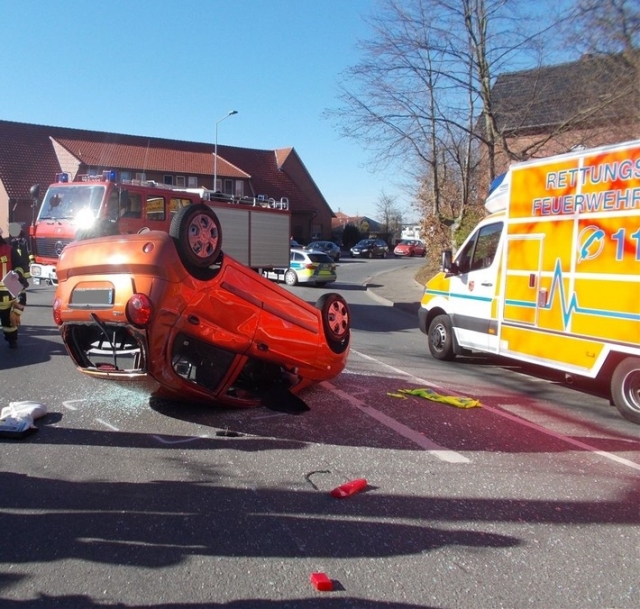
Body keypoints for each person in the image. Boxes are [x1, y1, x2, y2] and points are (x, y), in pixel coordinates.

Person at [0, 226, 27, 348]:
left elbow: (20, 265)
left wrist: (17, 274)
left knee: (9, 323)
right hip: (7, 293)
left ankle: (12, 340)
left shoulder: (9, 250)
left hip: (8, 292)